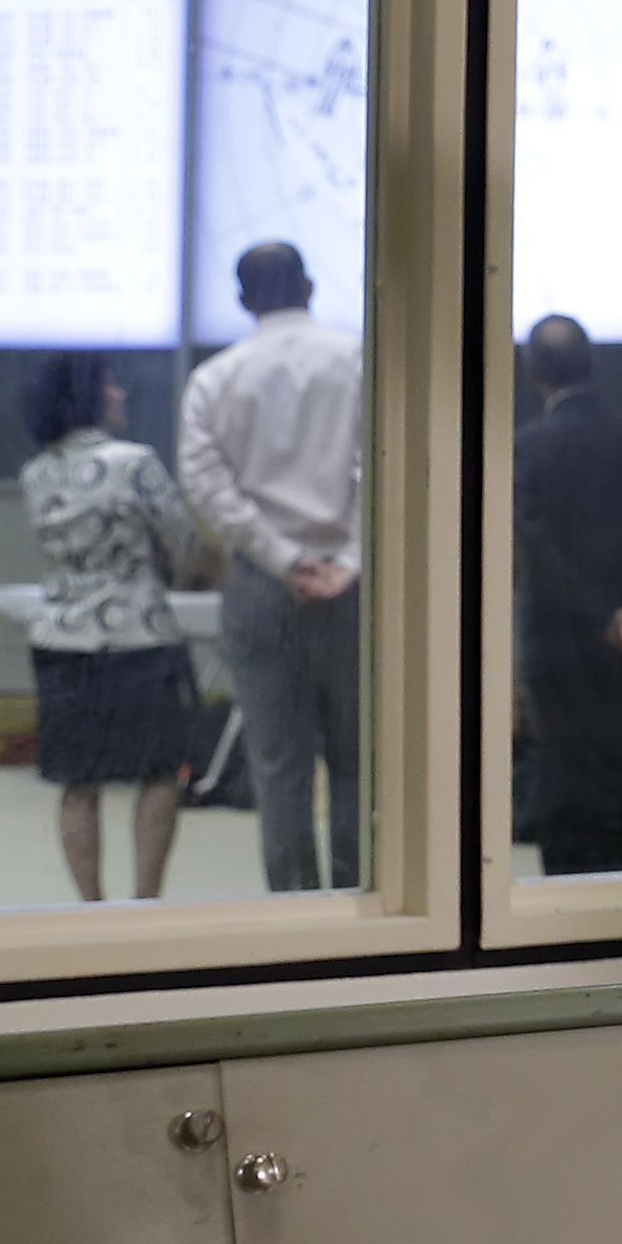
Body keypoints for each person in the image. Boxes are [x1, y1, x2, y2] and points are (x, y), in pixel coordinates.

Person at [179, 240, 363, 893]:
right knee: (358, 761)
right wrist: (347, 560)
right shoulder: (358, 360)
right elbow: (383, 463)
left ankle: (296, 911)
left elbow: (205, 484)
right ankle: (362, 905)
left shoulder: (215, 379)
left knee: (279, 768)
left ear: (241, 300)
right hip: (353, 589)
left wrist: (282, 558)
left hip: (261, 587)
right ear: (309, 288)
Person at [511, 315, 622, 877]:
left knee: (560, 773)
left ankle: (563, 897)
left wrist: (596, 614)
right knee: (617, 773)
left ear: (533, 374)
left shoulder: (525, 449)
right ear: (594, 364)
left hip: (554, 643)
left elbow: (537, 551)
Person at [16, 351, 193, 902]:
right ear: (90, 397)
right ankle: (145, 902)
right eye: (110, 385)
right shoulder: (135, 462)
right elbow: (181, 537)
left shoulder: (36, 472)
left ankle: (90, 907)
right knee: (159, 772)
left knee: (77, 781)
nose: (120, 394)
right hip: (140, 634)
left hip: (61, 638)